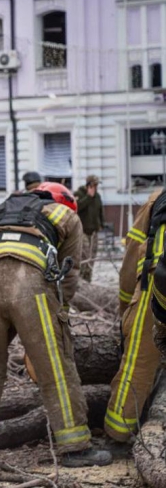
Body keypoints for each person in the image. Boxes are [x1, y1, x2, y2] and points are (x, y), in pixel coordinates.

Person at [0, 182, 112, 467]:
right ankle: (75, 447)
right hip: (29, 282)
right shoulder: (68, 217)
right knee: (55, 366)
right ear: (64, 201)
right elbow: (69, 273)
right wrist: (60, 315)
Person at [106, 188, 165, 442]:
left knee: (138, 363)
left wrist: (125, 306)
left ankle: (119, 433)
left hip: (154, 283)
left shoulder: (157, 198)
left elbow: (131, 256)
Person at [74, 175, 104, 282]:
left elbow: (100, 211)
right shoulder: (78, 194)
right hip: (82, 231)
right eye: (94, 185)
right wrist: (88, 197)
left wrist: (101, 224)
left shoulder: (98, 196)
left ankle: (88, 279)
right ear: (88, 185)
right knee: (84, 256)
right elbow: (77, 207)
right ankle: (81, 278)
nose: (95, 187)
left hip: (94, 231)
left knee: (92, 256)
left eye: (96, 185)